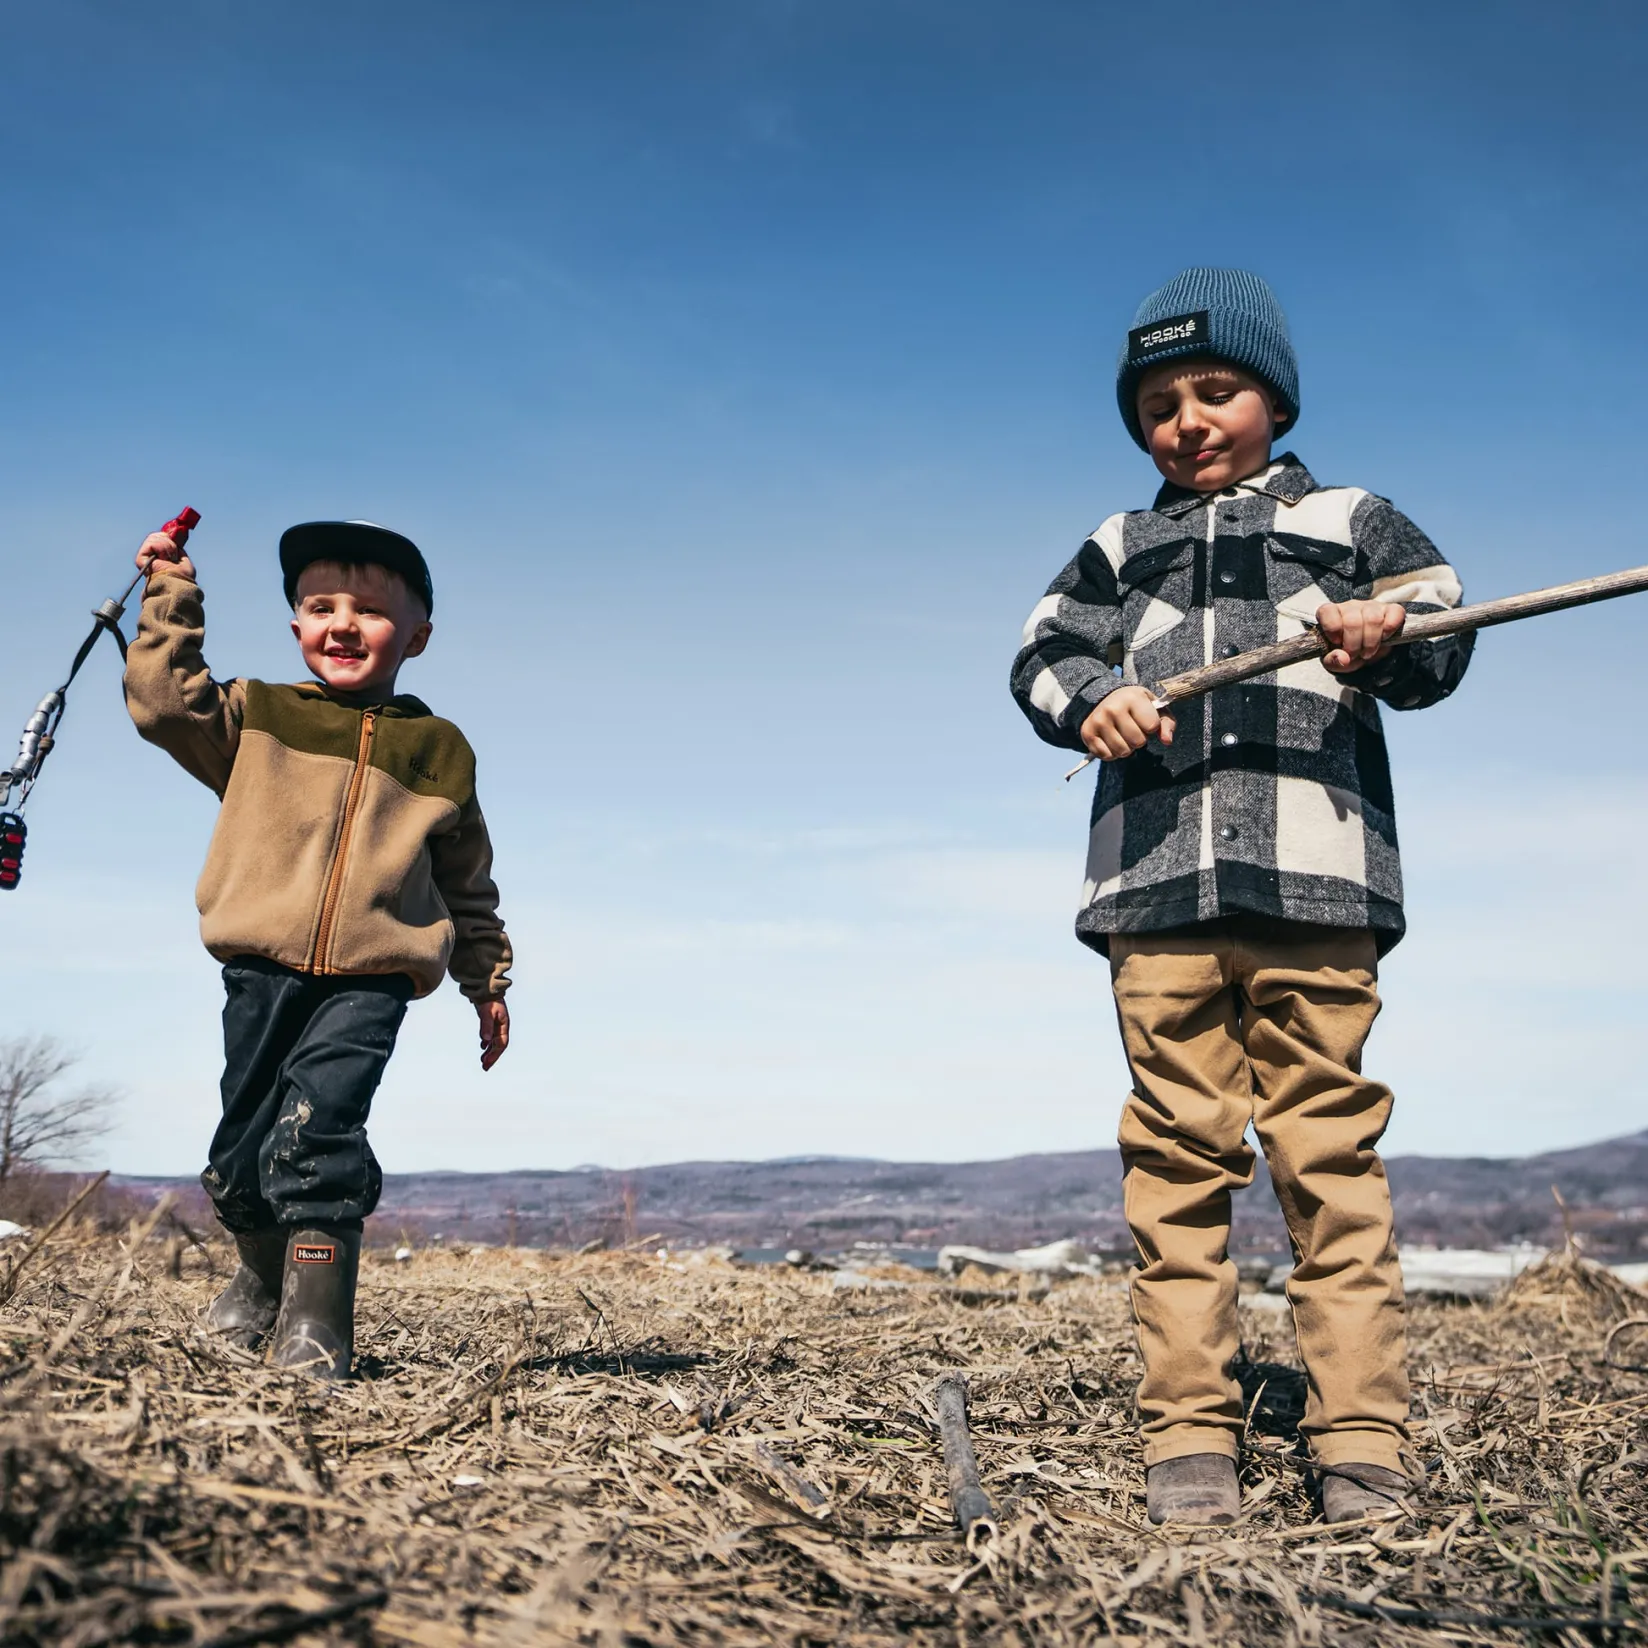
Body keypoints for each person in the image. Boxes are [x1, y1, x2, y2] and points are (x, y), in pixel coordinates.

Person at [1010, 269, 1472, 1524]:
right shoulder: (1121, 544)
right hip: (1153, 896)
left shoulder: (1350, 519)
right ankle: (1188, 1432)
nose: (1187, 420)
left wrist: (1387, 631)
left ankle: (1360, 1434)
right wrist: (1091, 698)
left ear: (1276, 399)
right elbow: (1043, 650)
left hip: (1318, 890)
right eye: (1158, 404)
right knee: (1174, 1159)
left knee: (1327, 1153)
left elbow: (1443, 628)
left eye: (1215, 390)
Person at [125, 519, 512, 1379]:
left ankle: (316, 1325)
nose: (342, 624)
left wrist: (486, 981)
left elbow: (468, 882)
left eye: (369, 610)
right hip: (259, 967)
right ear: (296, 625)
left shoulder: (439, 749)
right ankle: (263, 1281)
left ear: (416, 636)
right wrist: (170, 589)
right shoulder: (256, 714)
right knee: (240, 1156)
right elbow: (163, 701)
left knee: (319, 1129)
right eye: (321, 606)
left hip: (372, 976)